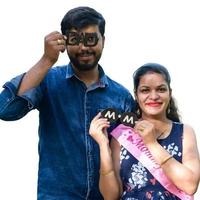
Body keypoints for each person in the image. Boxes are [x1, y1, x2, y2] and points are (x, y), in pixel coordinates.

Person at [0, 6, 135, 200]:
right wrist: (47, 59)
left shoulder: (121, 96)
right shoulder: (46, 80)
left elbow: (134, 155)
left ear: (103, 41)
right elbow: (5, 110)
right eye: (75, 39)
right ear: (63, 42)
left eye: (91, 39)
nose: (83, 47)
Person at [89, 63, 200, 200]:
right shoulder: (122, 135)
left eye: (161, 89)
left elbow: (190, 185)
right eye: (145, 90)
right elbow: (111, 196)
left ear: (169, 93)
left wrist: (151, 143)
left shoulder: (185, 132)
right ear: (136, 94)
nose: (153, 96)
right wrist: (103, 145)